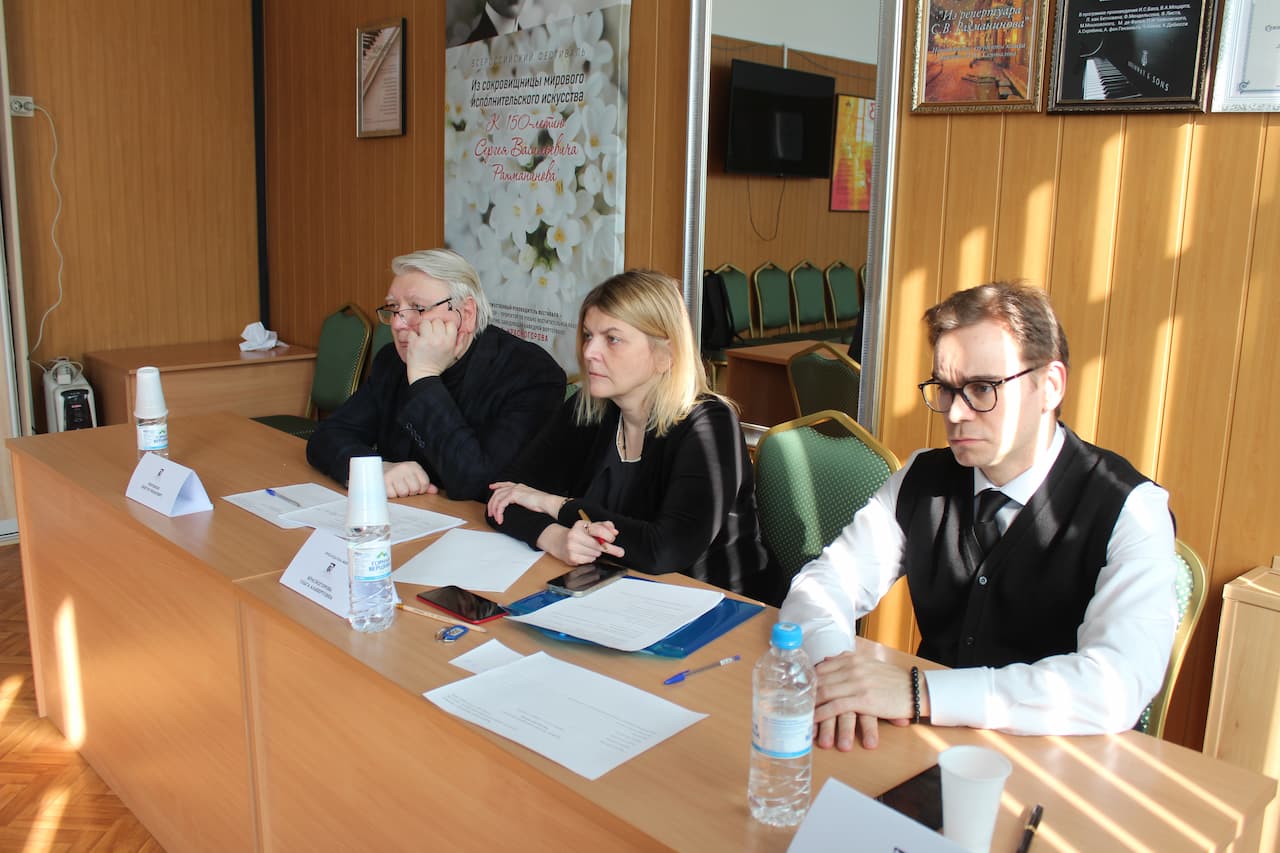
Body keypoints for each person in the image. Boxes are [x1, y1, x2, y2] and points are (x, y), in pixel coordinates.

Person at [780, 281, 1178, 749]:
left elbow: (1115, 686)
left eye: (982, 388)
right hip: (925, 745)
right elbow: (823, 585)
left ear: (1050, 385)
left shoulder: (1132, 509)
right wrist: (837, 676)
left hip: (1056, 754)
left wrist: (920, 692)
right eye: (946, 389)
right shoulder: (922, 477)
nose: (955, 413)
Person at [486, 269, 772, 598]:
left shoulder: (708, 423)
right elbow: (503, 496)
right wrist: (555, 537)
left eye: (612, 339)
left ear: (665, 355)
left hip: (718, 601)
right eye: (588, 335)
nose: (589, 352)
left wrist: (554, 504)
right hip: (615, 590)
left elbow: (664, 551)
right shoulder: (590, 407)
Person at [306, 248, 565, 502]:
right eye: (393, 307)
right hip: (404, 513)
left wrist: (424, 378)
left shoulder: (532, 374)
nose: (397, 323)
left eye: (417, 308)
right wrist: (374, 470)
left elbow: (480, 484)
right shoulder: (392, 361)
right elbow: (327, 436)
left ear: (466, 314)